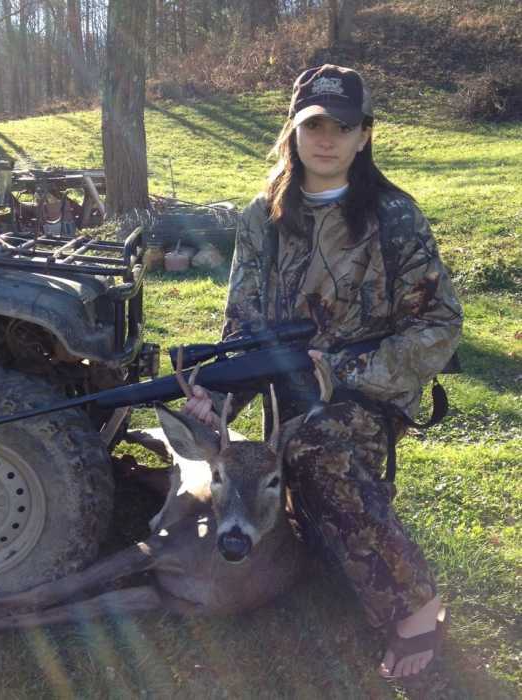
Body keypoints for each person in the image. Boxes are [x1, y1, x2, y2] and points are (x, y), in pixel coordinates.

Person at [183, 64, 463, 681]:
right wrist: (216, 400)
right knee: (242, 450)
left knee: (313, 449)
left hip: (367, 391)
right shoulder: (264, 216)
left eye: (343, 125)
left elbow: (440, 325)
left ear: (364, 134)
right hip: (284, 390)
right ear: (294, 131)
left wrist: (346, 371)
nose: (327, 138)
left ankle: (416, 607)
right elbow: (244, 324)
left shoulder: (394, 217)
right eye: (314, 124)